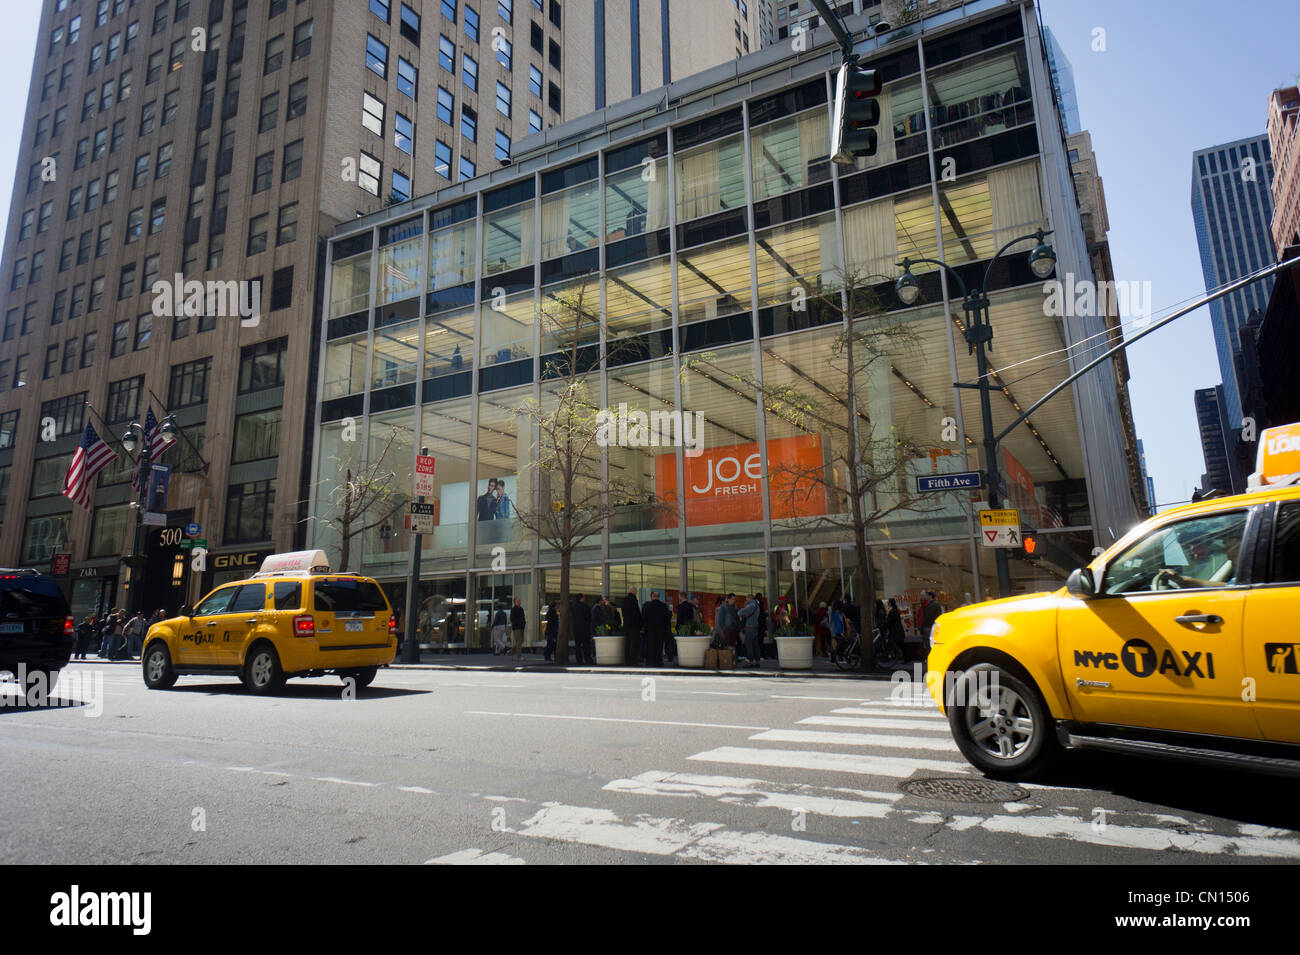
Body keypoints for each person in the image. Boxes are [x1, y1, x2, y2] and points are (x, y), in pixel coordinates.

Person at [643, 590, 671, 666]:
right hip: (660, 630)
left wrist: (645, 628)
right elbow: (667, 618)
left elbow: (644, 618)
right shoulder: (663, 606)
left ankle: (651, 661)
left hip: (650, 630)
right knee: (659, 646)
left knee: (651, 646)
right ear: (658, 597)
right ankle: (658, 661)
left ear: (652, 597)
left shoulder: (648, 606)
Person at [621, 589, 643, 665]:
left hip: (626, 625)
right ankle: (633, 661)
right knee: (634, 644)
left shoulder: (624, 600)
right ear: (634, 592)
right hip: (634, 626)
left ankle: (627, 661)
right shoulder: (633, 600)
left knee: (627, 643)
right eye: (636, 591)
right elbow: (636, 614)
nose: (636, 593)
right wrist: (640, 624)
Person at [738, 594, 761, 667]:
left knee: (749, 645)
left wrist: (741, 610)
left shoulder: (751, 605)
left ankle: (750, 661)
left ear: (749, 598)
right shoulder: (757, 605)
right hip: (755, 627)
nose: (746, 600)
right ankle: (757, 661)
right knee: (755, 645)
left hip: (749, 627)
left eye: (746, 599)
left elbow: (742, 612)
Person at [918, 591, 943, 655]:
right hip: (933, 627)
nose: (925, 597)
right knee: (932, 643)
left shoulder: (931, 605)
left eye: (927, 595)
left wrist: (922, 626)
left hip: (928, 627)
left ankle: (931, 657)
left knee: (928, 644)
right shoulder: (936, 604)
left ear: (930, 596)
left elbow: (927, 617)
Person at [573, 594, 594, 664]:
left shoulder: (574, 607)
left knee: (578, 646)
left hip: (576, 629)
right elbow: (589, 617)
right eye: (584, 597)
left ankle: (579, 660)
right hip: (584, 628)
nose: (585, 598)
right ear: (581, 598)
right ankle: (588, 659)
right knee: (586, 646)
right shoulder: (585, 607)